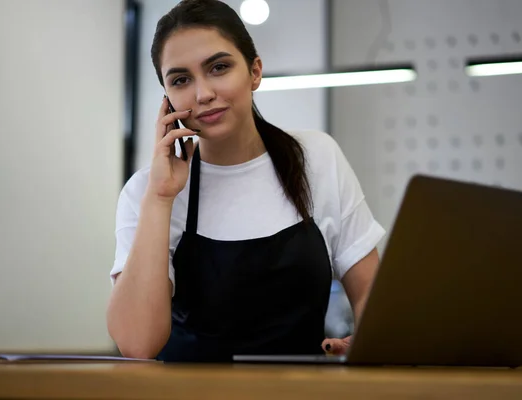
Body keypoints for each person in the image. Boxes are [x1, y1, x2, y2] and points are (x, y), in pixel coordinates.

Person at [106, 0, 385, 362]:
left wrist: (367, 341)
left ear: (255, 71)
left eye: (219, 67)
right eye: (181, 80)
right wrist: (160, 197)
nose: (203, 93)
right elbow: (137, 344)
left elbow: (371, 297)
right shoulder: (146, 191)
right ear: (167, 100)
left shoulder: (316, 158)